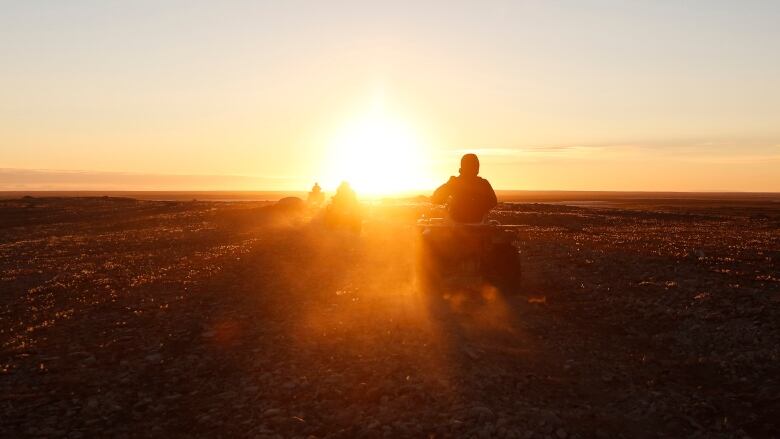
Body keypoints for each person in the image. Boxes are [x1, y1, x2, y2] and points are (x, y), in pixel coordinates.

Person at [431, 153, 497, 223]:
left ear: (462, 166)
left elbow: (436, 198)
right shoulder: (483, 183)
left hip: (456, 228)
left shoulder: (454, 182)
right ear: (477, 167)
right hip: (477, 225)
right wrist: (479, 207)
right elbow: (493, 202)